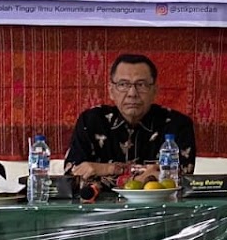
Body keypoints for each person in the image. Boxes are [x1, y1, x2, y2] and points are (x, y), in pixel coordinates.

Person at [65, 54, 196, 186]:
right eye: (123, 84)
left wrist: (103, 170)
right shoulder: (91, 121)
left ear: (154, 91)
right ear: (111, 91)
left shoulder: (177, 124)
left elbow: (181, 179)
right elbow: (72, 176)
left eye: (141, 85)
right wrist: (139, 175)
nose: (132, 93)